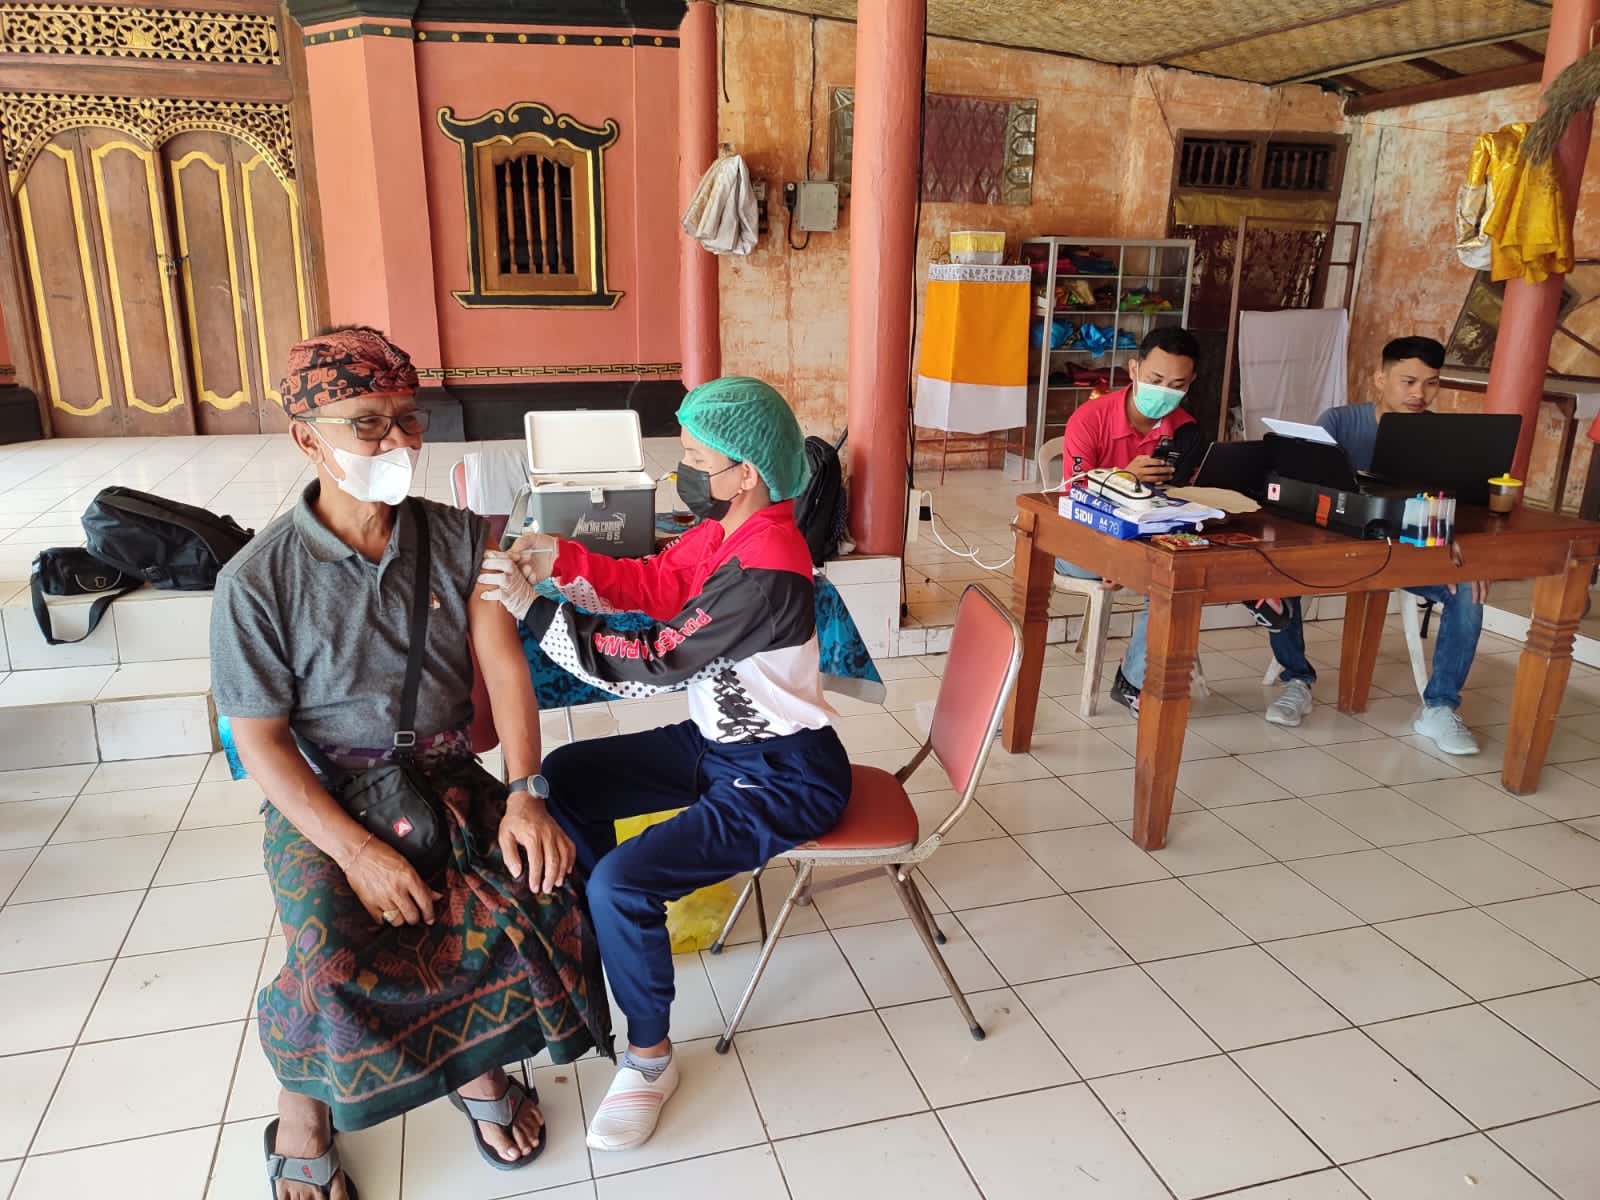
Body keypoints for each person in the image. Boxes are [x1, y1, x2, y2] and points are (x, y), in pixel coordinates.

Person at [211, 327, 609, 1200]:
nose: (397, 441)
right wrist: (356, 852)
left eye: (407, 419)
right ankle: (302, 1110)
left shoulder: (462, 539)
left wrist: (527, 792)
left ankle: (478, 1068)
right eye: (367, 423)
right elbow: (261, 742)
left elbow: (504, 669)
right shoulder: (256, 582)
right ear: (307, 438)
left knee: (539, 894)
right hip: (327, 794)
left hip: (446, 775)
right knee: (331, 957)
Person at [477, 375, 851, 1152]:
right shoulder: (730, 529)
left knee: (625, 881)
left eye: (697, 459)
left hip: (784, 776)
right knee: (569, 778)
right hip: (723, 744)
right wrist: (561, 556)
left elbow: (650, 663)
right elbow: (658, 581)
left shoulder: (766, 569)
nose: (684, 471)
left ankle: (648, 1058)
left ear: (747, 472)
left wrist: (534, 608)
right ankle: (605, 931)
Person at [1264, 335, 1486, 755]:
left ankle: (1440, 707)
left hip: (1405, 557)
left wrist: (1464, 554)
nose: (1420, 394)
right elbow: (1307, 490)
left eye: (1432, 383)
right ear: (1380, 379)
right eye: (1409, 381)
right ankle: (1297, 681)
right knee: (1277, 571)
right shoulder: (1339, 423)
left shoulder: (1440, 435)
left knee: (1469, 590)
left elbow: (1451, 506)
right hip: (1334, 551)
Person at [1054, 326, 1285, 714]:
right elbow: (1073, 497)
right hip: (1084, 541)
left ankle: (1134, 681)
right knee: (1170, 573)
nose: (1164, 391)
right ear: (1134, 369)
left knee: (1177, 568)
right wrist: (1122, 478)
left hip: (1150, 540)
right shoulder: (1089, 419)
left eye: (1176, 385)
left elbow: (1182, 500)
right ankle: (1242, 591)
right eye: (1156, 379)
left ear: (1191, 382)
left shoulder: (1186, 431)